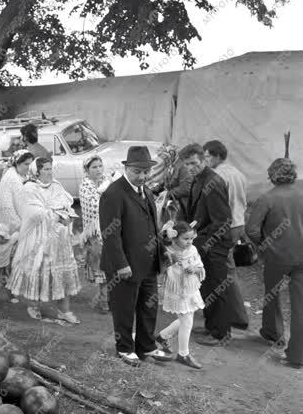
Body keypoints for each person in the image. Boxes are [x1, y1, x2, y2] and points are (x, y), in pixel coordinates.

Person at [99, 146, 171, 366]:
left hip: (148, 262)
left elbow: (151, 225)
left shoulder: (146, 191)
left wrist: (162, 251)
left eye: (146, 172)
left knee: (148, 306)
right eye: (137, 171)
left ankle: (146, 345)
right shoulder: (113, 194)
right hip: (125, 265)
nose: (142, 176)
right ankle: (124, 349)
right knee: (124, 307)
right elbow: (110, 235)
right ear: (126, 168)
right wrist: (121, 264)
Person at [6, 157, 82, 324]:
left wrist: (65, 214)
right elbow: (34, 214)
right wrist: (57, 213)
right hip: (37, 239)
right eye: (46, 169)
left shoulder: (56, 185)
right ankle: (33, 305)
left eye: (50, 168)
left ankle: (64, 310)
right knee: (37, 271)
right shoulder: (29, 189)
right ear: (36, 171)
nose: (49, 171)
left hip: (58, 240)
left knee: (61, 274)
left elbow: (67, 204)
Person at [246, 158, 303, 369]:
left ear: (272, 175)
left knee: (272, 293)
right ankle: (297, 356)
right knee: (300, 306)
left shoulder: (267, 198)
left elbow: (251, 229)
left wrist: (264, 245)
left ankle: (274, 333)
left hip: (276, 256)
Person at [181, 143, 233, 346]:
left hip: (214, 247)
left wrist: (202, 243)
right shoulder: (198, 179)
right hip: (203, 244)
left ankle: (221, 333)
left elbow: (223, 221)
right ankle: (212, 326)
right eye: (187, 164)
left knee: (217, 289)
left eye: (194, 163)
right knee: (206, 288)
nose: (190, 167)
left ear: (204, 160)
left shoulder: (213, 182)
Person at [203, 139, 250, 331]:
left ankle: (236, 317)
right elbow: (243, 201)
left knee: (223, 272)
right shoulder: (238, 173)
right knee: (229, 270)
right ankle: (235, 315)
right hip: (238, 224)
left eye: (206, 157)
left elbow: (219, 207)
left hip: (226, 226)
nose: (205, 161)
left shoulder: (216, 175)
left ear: (216, 156)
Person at [155, 220, 206, 369]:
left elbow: (200, 266)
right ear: (174, 237)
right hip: (177, 290)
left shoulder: (193, 250)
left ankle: (162, 336)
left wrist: (195, 269)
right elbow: (161, 270)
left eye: (191, 238)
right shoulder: (168, 251)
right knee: (187, 321)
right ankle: (183, 354)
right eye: (185, 239)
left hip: (190, 289)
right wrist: (170, 261)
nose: (189, 242)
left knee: (187, 317)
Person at [78, 156, 112, 313]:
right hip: (95, 234)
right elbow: (95, 207)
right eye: (94, 167)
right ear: (87, 170)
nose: (98, 170)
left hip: (112, 230)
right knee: (101, 267)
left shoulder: (108, 181)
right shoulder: (85, 186)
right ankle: (104, 300)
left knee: (114, 265)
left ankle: (112, 298)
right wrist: (104, 192)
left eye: (100, 166)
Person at [149, 144, 192, 222]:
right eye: (163, 158)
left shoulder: (184, 167)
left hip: (180, 206)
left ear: (172, 154)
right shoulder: (171, 164)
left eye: (165, 157)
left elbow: (186, 188)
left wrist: (167, 193)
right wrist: (153, 190)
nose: (164, 160)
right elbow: (165, 182)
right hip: (172, 201)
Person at [0, 150, 34, 233]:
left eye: (31, 164)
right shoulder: (10, 178)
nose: (29, 167)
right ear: (17, 163)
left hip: (25, 222)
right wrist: (19, 226)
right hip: (14, 226)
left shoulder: (25, 175)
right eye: (26, 164)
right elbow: (7, 207)